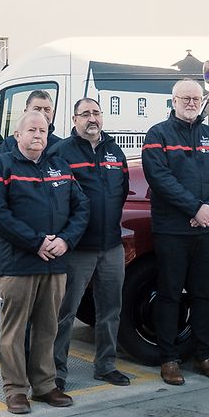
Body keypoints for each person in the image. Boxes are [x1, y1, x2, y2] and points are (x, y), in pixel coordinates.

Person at [0, 110, 89, 414]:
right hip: (17, 264)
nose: (38, 135)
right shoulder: (1, 165)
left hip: (54, 264)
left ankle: (44, 385)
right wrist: (35, 242)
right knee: (14, 331)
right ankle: (15, 389)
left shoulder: (59, 167)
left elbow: (81, 207)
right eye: (31, 130)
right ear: (18, 135)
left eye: (43, 130)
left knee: (48, 327)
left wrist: (65, 240)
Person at [140, 79, 209, 386]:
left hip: (205, 229)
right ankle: (168, 358)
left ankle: (205, 355)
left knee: (204, 293)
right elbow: (160, 178)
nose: (191, 103)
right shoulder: (158, 134)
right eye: (186, 98)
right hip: (172, 230)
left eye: (196, 98)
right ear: (174, 101)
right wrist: (195, 209)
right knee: (169, 294)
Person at [53, 98, 130, 390]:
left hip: (111, 246)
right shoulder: (61, 152)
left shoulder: (115, 151)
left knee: (110, 310)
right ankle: (56, 371)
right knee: (65, 313)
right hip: (77, 248)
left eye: (96, 113)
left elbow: (122, 191)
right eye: (85, 114)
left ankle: (106, 365)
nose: (92, 118)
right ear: (75, 119)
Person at [0, 89, 63, 154]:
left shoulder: (60, 146)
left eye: (47, 109)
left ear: (53, 113)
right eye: (37, 109)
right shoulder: (9, 144)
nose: (42, 113)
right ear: (26, 112)